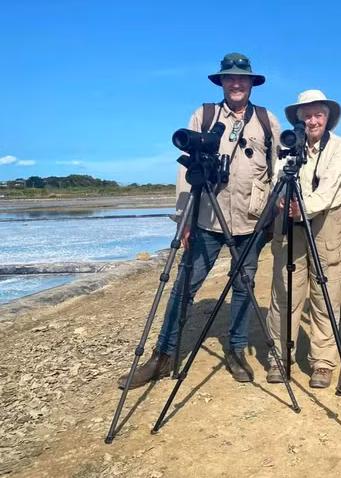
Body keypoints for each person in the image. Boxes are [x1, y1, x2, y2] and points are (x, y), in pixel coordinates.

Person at [118, 53, 280, 388]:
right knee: (183, 288)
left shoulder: (267, 121)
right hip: (207, 217)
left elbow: (278, 171)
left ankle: (237, 352)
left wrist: (272, 217)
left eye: (242, 79)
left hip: (250, 222)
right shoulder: (203, 115)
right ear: (221, 82)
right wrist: (184, 219)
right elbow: (185, 171)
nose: (236, 84)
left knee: (243, 288)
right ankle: (162, 356)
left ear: (252, 83)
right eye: (229, 78)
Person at [264, 90, 341, 389]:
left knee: (325, 291)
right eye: (307, 115)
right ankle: (279, 356)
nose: (313, 121)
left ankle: (323, 362)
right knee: (285, 291)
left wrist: (302, 208)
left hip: (326, 220)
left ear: (327, 119)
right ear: (299, 118)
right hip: (288, 219)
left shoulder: (340, 146)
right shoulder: (285, 144)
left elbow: (329, 187)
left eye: (319, 115)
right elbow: (277, 177)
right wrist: (282, 205)